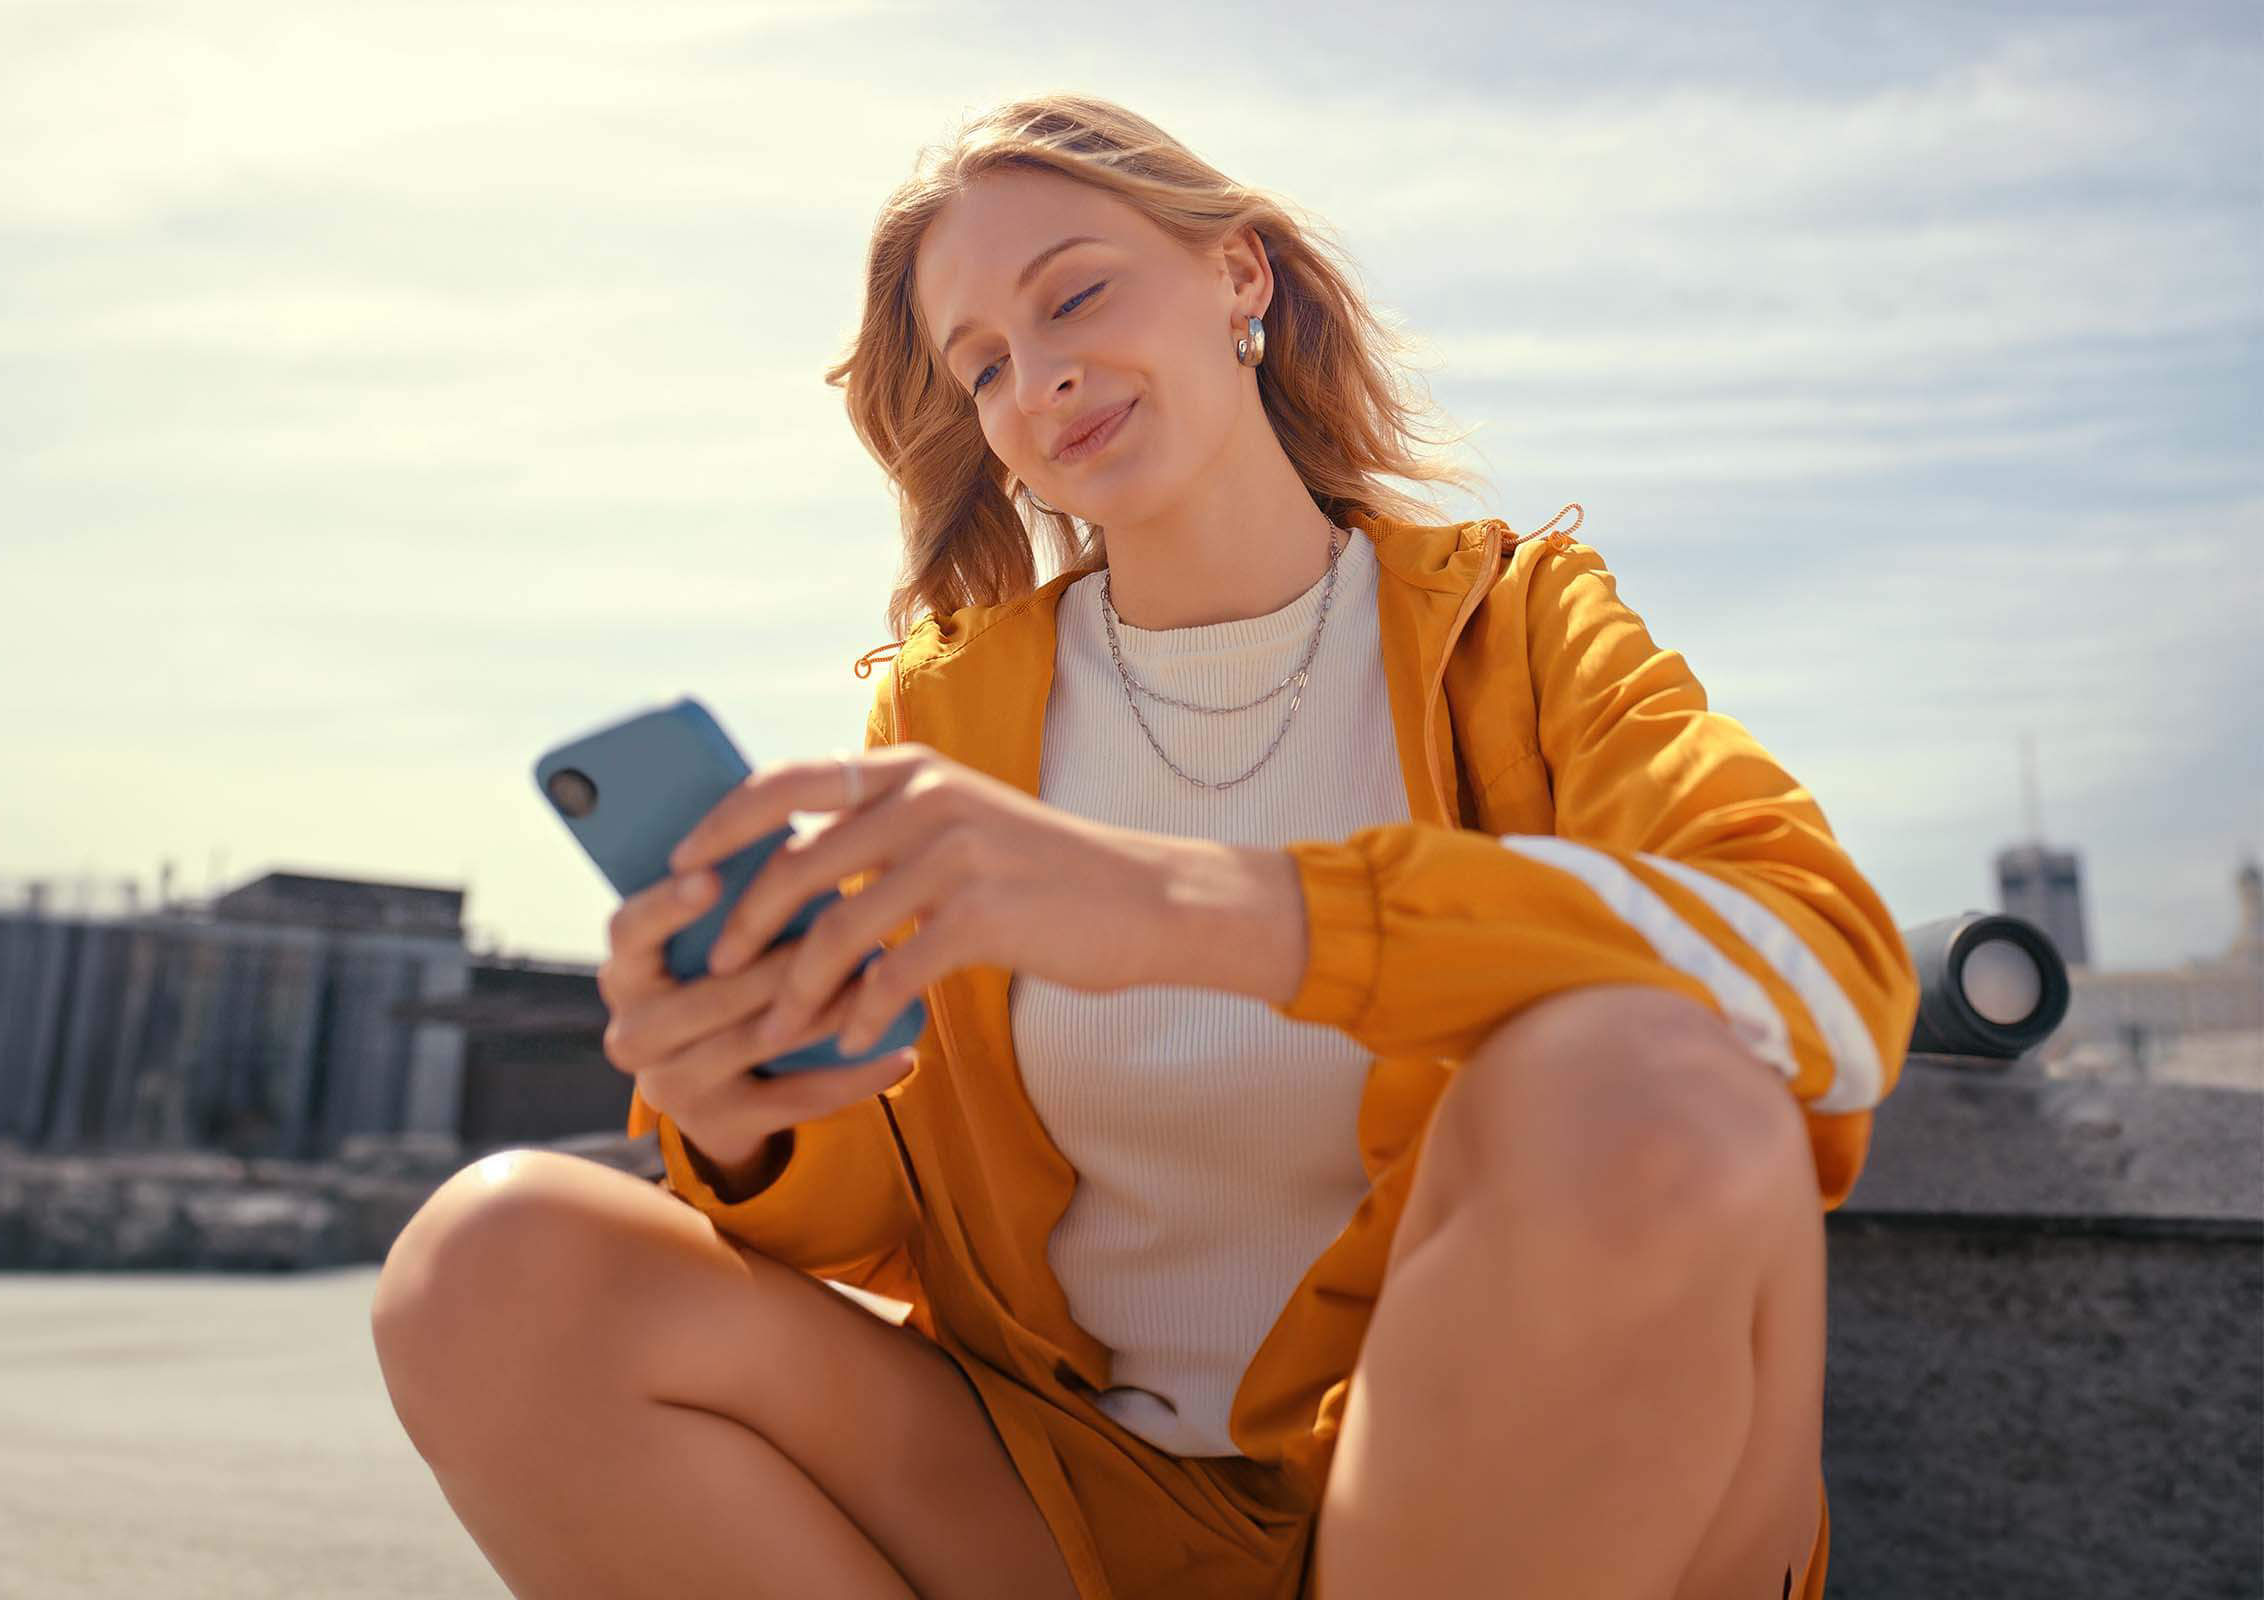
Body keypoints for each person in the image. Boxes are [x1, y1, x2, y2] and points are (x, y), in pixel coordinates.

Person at [369, 93, 1917, 1600]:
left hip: (1496, 1492)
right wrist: (741, 1113)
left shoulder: (1517, 628)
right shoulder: (951, 715)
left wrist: (1190, 906)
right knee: (490, 1265)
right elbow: (868, 1225)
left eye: (1076, 296)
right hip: (1066, 1512)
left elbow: (1827, 979)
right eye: (983, 367)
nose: (1038, 380)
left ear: (1238, 274)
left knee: (1634, 1085)